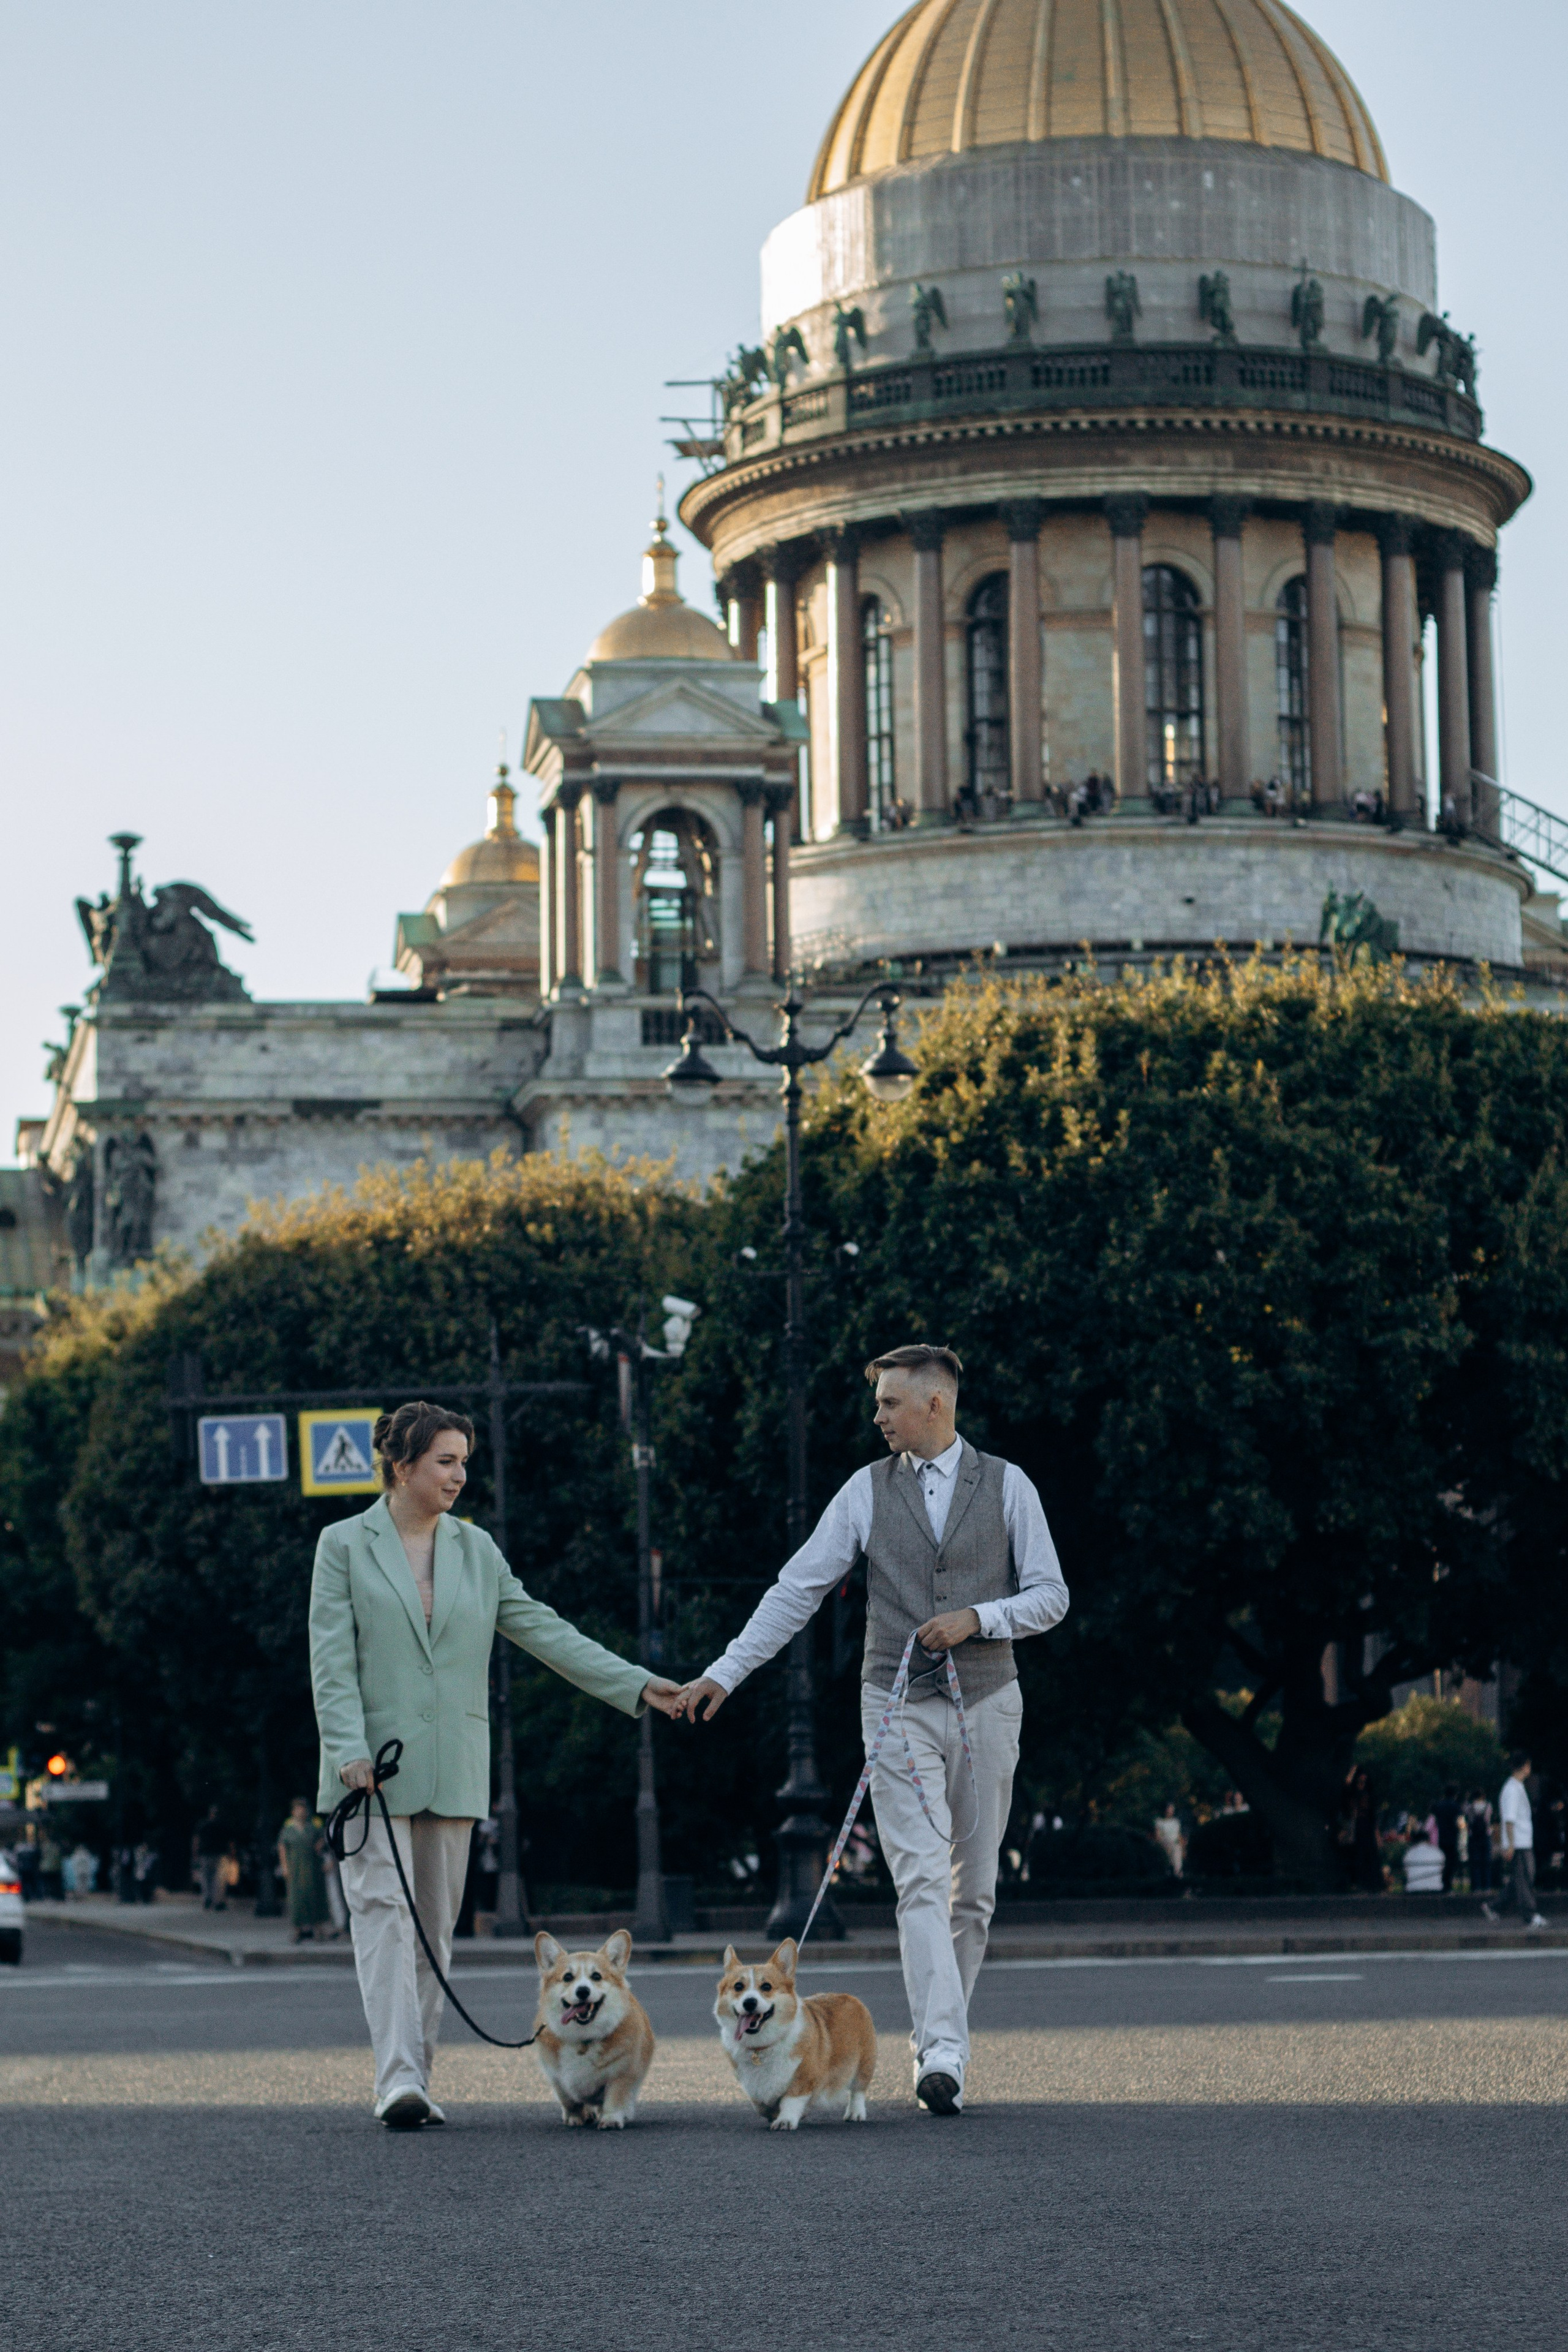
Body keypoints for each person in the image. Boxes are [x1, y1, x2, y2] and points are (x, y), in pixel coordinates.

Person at [675, 1343, 1069, 2117]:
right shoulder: (863, 1491)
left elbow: (1051, 1595)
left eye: (889, 1402)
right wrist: (724, 1671)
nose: (876, 1415)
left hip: (990, 1700)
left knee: (975, 1891)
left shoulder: (1009, 1485)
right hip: (892, 1705)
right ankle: (945, 2052)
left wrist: (978, 1619)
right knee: (919, 1877)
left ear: (935, 1404)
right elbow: (797, 1589)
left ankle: (939, 2032)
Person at [309, 1398, 684, 2130]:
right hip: (369, 1776)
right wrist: (347, 1748)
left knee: (433, 1933)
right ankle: (397, 2081)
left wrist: (637, 1684)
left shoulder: (476, 1550)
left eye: (464, 1463)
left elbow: (544, 1630)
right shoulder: (343, 1545)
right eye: (445, 1462)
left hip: (451, 1770)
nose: (458, 1476)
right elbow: (330, 1661)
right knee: (383, 1921)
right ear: (403, 1465)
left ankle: (417, 2071)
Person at [1482, 1752, 1547, 1929]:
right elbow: (1509, 1820)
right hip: (1518, 1843)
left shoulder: (1516, 1787)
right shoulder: (1512, 1789)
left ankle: (1493, 1907)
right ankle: (1530, 1915)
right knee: (1525, 1878)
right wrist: (1510, 1845)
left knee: (1521, 1879)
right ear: (1525, 1766)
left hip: (1522, 1841)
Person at [277, 1799, 330, 1943]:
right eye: (298, 1809)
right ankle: (298, 1930)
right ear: (293, 1812)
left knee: (315, 1896)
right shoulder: (288, 1829)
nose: (301, 1812)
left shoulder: (313, 1827)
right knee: (296, 1899)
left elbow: (324, 1840)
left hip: (313, 1868)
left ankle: (318, 1929)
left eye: (303, 1809)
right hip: (295, 1869)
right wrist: (285, 1867)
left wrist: (322, 1848)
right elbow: (282, 1847)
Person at [192, 1804, 228, 1910]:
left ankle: (208, 1899)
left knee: (206, 1878)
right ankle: (218, 1901)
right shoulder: (222, 1825)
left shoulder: (203, 1825)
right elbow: (230, 1841)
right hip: (219, 1854)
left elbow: (196, 1840)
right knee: (218, 1879)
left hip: (205, 1854)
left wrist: (195, 1854)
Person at [1432, 1781, 1463, 1894]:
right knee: (1451, 1863)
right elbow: (1461, 1824)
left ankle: (1442, 1884)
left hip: (1441, 1838)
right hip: (1453, 1838)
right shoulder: (1456, 1807)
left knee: (1443, 1862)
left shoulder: (1439, 1806)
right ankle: (1447, 1885)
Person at [1154, 1801, 1185, 1877]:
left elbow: (1179, 1836)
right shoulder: (1159, 1822)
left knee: (1177, 1850)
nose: (1171, 1811)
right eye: (1169, 1809)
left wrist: (1183, 1847)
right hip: (1164, 1844)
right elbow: (1158, 1837)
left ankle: (1178, 1875)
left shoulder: (1176, 1822)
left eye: (1172, 1810)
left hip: (1175, 1844)